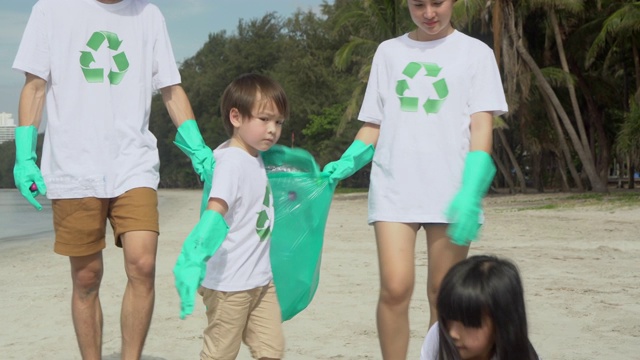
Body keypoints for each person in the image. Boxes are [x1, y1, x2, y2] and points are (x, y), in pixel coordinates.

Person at [12, 1, 213, 359]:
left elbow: (171, 87)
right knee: (86, 278)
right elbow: (35, 86)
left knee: (143, 265)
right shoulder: (51, 10)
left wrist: (197, 147)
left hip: (133, 162)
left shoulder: (148, 15)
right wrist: (25, 155)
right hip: (73, 165)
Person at [322, 0, 508, 358]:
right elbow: (374, 123)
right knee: (394, 288)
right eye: (418, 4)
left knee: (443, 295)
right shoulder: (388, 53)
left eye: (437, 2)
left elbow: (482, 128)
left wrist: (471, 190)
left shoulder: (476, 53)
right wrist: (347, 161)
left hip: (453, 189)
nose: (428, 13)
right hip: (395, 187)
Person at [173, 73, 289, 360]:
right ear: (236, 117)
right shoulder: (230, 162)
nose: (272, 129)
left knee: (271, 350)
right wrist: (193, 256)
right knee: (221, 353)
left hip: (262, 281)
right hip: (229, 285)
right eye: (264, 119)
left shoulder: (255, 156)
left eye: (279, 122)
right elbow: (216, 210)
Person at [420, 255, 540, 360]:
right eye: (448, 319)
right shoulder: (438, 337)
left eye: (468, 323)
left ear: (501, 322)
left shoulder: (522, 355)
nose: (452, 333)